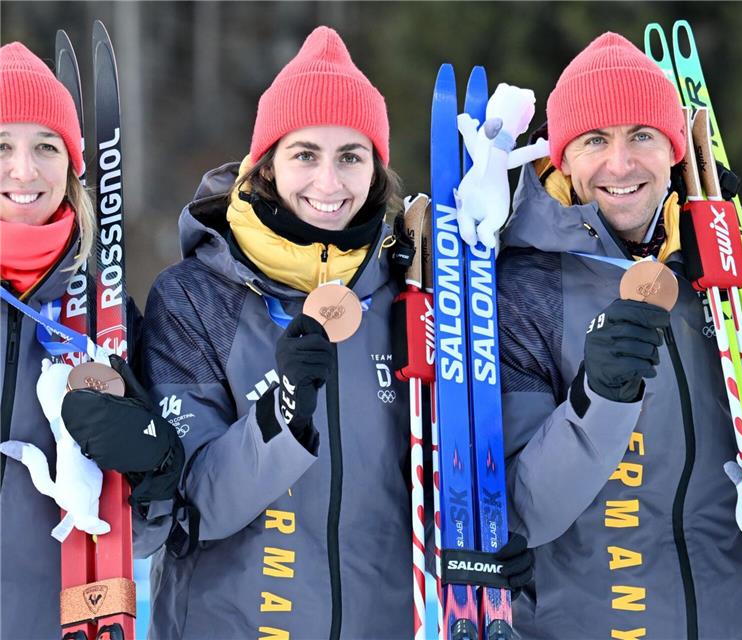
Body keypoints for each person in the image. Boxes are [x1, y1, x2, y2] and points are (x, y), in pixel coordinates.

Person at [131, 26, 528, 638]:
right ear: (266, 165)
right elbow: (191, 510)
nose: (328, 182)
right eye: (305, 155)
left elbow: (443, 475)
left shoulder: (415, 293)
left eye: (350, 156)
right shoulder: (194, 296)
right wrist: (283, 413)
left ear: (376, 170)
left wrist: (485, 542)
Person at [495, 32, 742, 639]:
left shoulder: (739, 239)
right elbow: (523, 510)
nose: (621, 164)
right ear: (562, 157)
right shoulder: (522, 283)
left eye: (642, 136)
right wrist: (599, 398)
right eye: (595, 140)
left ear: (675, 147)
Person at [0, 41, 179, 639]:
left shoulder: (106, 317)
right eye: (1, 146)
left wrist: (154, 464)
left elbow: (149, 535)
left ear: (72, 168)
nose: (24, 170)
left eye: (46, 147)